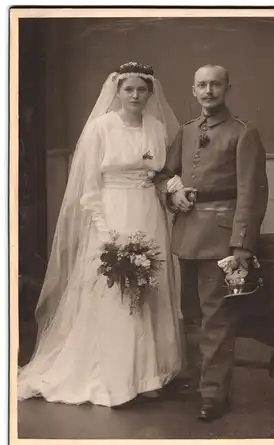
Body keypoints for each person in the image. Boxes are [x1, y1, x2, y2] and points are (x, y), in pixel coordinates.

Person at [17, 61, 184, 408]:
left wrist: (174, 189)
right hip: (113, 212)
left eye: (142, 89)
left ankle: (148, 374)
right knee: (115, 290)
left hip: (148, 213)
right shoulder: (101, 128)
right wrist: (107, 233)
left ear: (150, 93)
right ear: (118, 91)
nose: (135, 95)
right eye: (129, 89)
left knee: (150, 287)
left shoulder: (156, 127)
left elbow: (161, 174)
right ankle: (114, 374)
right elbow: (90, 188)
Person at [156, 64, 269, 421]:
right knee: (190, 314)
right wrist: (173, 196)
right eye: (202, 85)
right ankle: (199, 380)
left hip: (221, 240)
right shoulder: (186, 132)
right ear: (193, 91)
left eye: (215, 85)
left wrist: (241, 246)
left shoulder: (243, 133)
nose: (209, 91)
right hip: (186, 234)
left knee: (217, 318)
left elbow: (252, 193)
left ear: (227, 88)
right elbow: (165, 174)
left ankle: (214, 394)